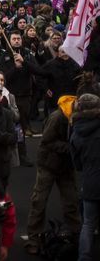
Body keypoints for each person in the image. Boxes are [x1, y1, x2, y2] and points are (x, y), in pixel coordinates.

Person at [24, 95, 81, 254]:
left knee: (71, 201)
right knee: (39, 202)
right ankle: (33, 239)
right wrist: (70, 147)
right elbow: (46, 141)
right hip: (48, 165)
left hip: (66, 166)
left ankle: (77, 234)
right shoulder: (57, 117)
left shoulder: (78, 116)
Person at [69, 93, 100, 261]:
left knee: (88, 224)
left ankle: (84, 257)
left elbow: (77, 165)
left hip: (89, 182)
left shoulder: (75, 132)